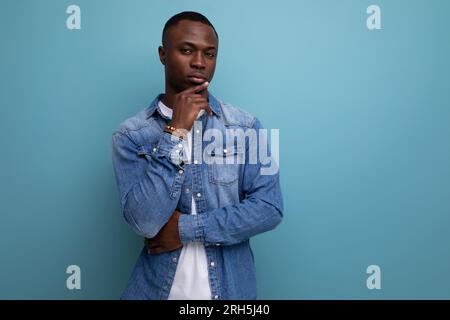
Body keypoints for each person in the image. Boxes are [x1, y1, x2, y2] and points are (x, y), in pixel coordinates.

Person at [112, 11, 283, 300]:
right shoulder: (130, 135)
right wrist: (175, 131)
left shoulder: (246, 126)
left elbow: (269, 208)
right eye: (187, 50)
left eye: (210, 53)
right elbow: (143, 221)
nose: (200, 63)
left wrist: (184, 229)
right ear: (163, 54)